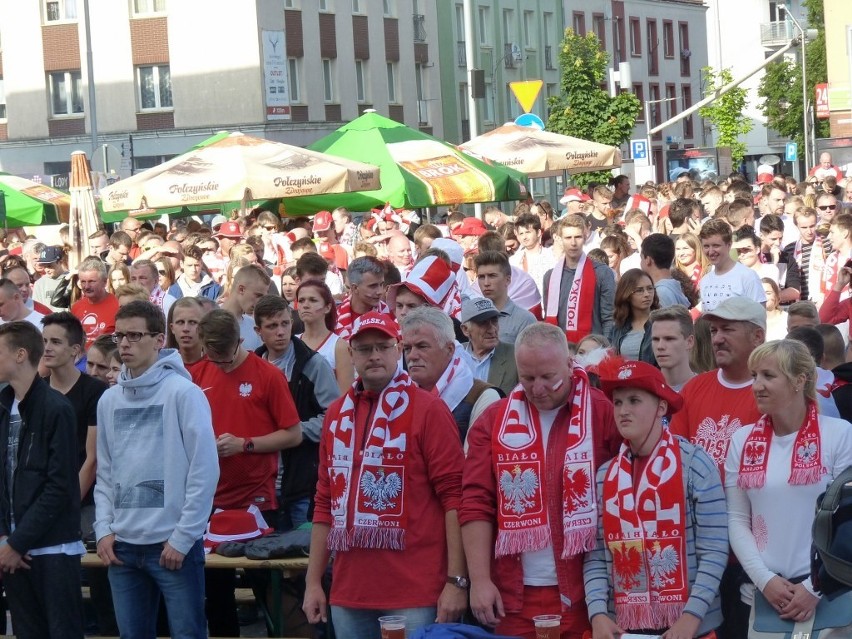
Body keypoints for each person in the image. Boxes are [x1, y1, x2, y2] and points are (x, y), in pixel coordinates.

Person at [302, 312, 467, 638]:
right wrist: (312, 583)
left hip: (416, 591)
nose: (374, 355)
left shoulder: (429, 410)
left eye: (383, 346)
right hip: (350, 591)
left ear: (398, 349)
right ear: (351, 354)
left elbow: (455, 499)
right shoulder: (337, 414)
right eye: (364, 349)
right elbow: (325, 501)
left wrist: (455, 581)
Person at [460, 323, 621, 638]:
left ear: (569, 363)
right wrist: (479, 580)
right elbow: (476, 502)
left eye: (548, 377)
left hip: (586, 592)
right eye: (527, 378)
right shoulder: (494, 419)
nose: (537, 389)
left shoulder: (602, 412)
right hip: (513, 594)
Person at [94, 300, 218, 639]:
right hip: (122, 547)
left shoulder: (184, 393)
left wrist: (183, 536)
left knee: (188, 634)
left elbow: (204, 469)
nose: (124, 344)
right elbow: (106, 471)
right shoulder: (109, 401)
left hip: (171, 545)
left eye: (135, 335)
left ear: (159, 340)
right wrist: (104, 528)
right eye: (120, 335)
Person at [585, 360, 727, 639]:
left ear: (661, 407)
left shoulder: (696, 464)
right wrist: (598, 613)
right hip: (624, 627)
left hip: (691, 628)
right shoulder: (605, 474)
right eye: (617, 402)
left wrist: (691, 617)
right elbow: (597, 555)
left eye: (634, 400)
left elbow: (715, 549)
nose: (623, 411)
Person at [724, 340, 852, 634]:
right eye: (754, 376)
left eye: (768, 376)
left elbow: (846, 522)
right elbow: (737, 519)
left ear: (800, 380)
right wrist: (764, 580)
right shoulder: (741, 441)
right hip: (763, 595)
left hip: (831, 595)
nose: (757, 385)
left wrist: (815, 587)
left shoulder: (840, 435)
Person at [192, 309, 302, 636]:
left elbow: (293, 434)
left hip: (257, 500)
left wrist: (245, 445)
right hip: (209, 499)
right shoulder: (197, 373)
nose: (221, 366)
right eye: (214, 359)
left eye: (227, 360)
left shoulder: (267, 375)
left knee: (266, 589)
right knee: (216, 594)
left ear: (241, 341)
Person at [0, 321, 85, 639]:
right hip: (14, 551)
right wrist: (6, 540)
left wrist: (16, 542)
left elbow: (59, 485)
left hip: (52, 550)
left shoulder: (56, 408)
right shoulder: (4, 405)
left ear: (20, 354)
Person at [252, 295, 338, 531]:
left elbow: (334, 418)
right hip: (261, 483)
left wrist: (293, 432)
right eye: (272, 326)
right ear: (258, 330)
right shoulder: (252, 366)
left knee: (305, 554)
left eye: (285, 324)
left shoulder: (312, 364)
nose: (280, 332)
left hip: (301, 479)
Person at [402, 306, 502, 443]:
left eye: (422, 346)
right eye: (407, 348)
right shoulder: (398, 395)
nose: (412, 356)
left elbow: (474, 461)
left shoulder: (482, 397)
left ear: (449, 349)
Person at [543, 214, 616, 342]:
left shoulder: (602, 273)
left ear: (585, 237)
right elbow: (548, 320)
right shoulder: (550, 277)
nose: (573, 243)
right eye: (568, 237)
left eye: (577, 237)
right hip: (560, 348)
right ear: (559, 239)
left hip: (593, 349)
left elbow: (609, 317)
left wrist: (606, 348)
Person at [296, 279, 354, 393]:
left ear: (327, 307)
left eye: (313, 300)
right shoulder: (292, 342)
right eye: (301, 300)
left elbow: (344, 397)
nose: (305, 305)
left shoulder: (339, 347)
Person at [698, 219, 766, 311]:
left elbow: (759, 318)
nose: (710, 252)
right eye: (706, 246)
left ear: (729, 245)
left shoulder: (748, 276)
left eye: (716, 245)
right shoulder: (705, 281)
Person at [474, 249, 538, 343]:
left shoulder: (525, 319)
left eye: (492, 276)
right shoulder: (473, 317)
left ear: (507, 280)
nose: (486, 283)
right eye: (481, 277)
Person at [460, 297, 518, 396]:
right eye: (483, 323)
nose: (492, 329)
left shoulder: (515, 355)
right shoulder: (454, 356)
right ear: (465, 330)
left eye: (494, 321)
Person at [334, 256, 390, 339]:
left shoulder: (388, 315)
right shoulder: (334, 319)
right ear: (355, 288)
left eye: (381, 284)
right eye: (373, 286)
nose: (380, 291)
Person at [219, 263, 272, 352]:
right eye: (258, 295)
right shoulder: (209, 320)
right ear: (241, 289)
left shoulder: (254, 326)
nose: (260, 301)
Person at [611, 268, 659, 364]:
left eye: (650, 288)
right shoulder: (618, 328)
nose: (647, 294)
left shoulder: (661, 324)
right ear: (626, 294)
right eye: (639, 290)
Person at [72, 257, 120, 348]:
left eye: (91, 281)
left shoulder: (118, 305)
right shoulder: (76, 307)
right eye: (83, 282)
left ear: (104, 282)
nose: (86, 286)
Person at [650, 305, 697, 392]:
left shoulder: (706, 388)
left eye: (669, 339)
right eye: (655, 339)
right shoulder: (646, 391)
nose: (660, 346)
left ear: (689, 342)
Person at [510, 213, 555, 296]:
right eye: (521, 233)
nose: (524, 237)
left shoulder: (552, 256)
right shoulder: (513, 261)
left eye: (528, 232)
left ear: (538, 233)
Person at [641, 234, 691, 308]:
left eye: (641, 258)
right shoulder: (673, 285)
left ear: (648, 260)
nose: (640, 263)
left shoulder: (661, 292)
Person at [165, 296, 207, 371]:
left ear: (203, 327)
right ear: (172, 328)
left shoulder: (218, 365)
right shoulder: (163, 366)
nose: (186, 329)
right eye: (180, 322)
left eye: (193, 322)